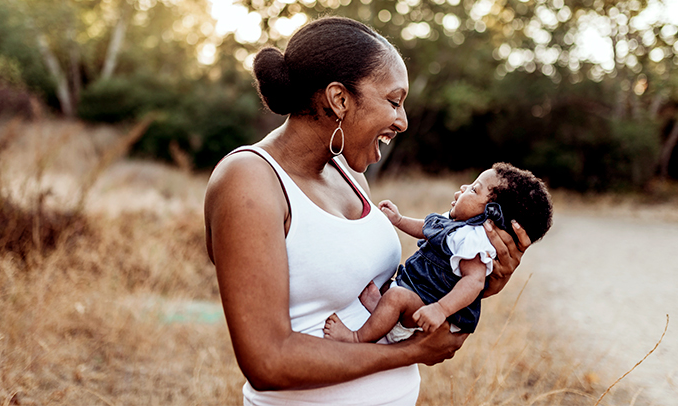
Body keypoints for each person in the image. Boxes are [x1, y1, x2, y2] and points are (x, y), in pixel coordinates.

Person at [204, 16, 531, 406]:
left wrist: (474, 280)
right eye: (394, 101)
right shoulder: (249, 180)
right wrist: (410, 354)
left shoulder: (348, 172)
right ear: (339, 99)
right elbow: (268, 362)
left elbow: (388, 292)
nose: (403, 121)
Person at [323, 163, 553, 345]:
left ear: (492, 215)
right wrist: (399, 220)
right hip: (419, 293)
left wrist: (440, 310)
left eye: (474, 190)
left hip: (429, 309)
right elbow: (426, 229)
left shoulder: (474, 242)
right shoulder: (456, 226)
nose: (463, 188)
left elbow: (473, 282)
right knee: (390, 290)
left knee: (397, 298)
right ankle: (382, 311)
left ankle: (357, 337)